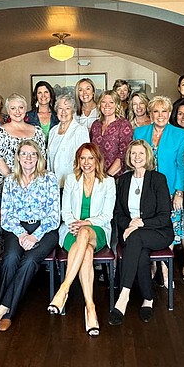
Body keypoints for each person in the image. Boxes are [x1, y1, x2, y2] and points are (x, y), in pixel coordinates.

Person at [0, 140, 59, 335]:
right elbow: (6, 216)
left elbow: (54, 216)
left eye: (33, 154)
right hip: (17, 229)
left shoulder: (49, 178)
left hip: (45, 229)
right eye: (24, 154)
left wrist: (35, 236)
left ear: (38, 157)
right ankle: (6, 311)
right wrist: (23, 234)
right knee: (9, 259)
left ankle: (2, 311)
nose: (28, 158)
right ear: (17, 157)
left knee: (30, 260)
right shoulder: (10, 181)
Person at [47, 143, 115, 336]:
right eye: (82, 158)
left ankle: (63, 290)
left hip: (98, 230)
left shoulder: (108, 182)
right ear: (78, 161)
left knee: (85, 233)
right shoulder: (70, 180)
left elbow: (106, 215)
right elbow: (65, 211)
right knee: (86, 252)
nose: (86, 163)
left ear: (97, 160)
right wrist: (75, 223)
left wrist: (85, 223)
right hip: (71, 230)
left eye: (90, 158)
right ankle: (90, 308)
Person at [108, 140, 173, 325]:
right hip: (131, 231)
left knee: (136, 240)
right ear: (129, 157)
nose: (137, 157)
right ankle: (148, 298)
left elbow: (164, 216)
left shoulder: (158, 179)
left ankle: (123, 296)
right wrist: (130, 224)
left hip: (158, 231)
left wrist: (140, 223)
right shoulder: (124, 180)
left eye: (141, 154)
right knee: (141, 252)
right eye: (133, 153)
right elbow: (118, 213)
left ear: (148, 157)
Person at [134, 96, 184, 285]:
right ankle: (151, 265)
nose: (160, 115)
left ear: (170, 113)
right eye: (156, 111)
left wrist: (179, 192)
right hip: (145, 189)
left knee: (168, 229)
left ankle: (165, 269)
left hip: (170, 190)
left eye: (164, 111)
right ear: (150, 114)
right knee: (146, 226)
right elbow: (135, 162)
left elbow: (181, 164)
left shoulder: (179, 134)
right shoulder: (140, 132)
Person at [0, 93, 46, 187]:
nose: (17, 111)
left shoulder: (37, 131)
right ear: (8, 111)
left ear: (25, 109)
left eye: (21, 107)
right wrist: (15, 181)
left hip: (33, 183)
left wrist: (31, 181)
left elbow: (42, 159)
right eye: (13, 108)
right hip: (7, 183)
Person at [47, 94, 90, 188]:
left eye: (67, 108)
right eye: (60, 108)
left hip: (73, 184)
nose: (63, 112)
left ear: (73, 110)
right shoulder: (53, 131)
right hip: (54, 184)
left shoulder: (80, 130)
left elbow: (84, 159)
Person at [89, 90, 133, 178]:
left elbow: (123, 154)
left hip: (117, 177)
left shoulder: (123, 124)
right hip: (95, 175)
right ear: (99, 105)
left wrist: (107, 177)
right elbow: (91, 151)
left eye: (111, 102)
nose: (107, 105)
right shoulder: (95, 125)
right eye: (103, 102)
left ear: (116, 105)